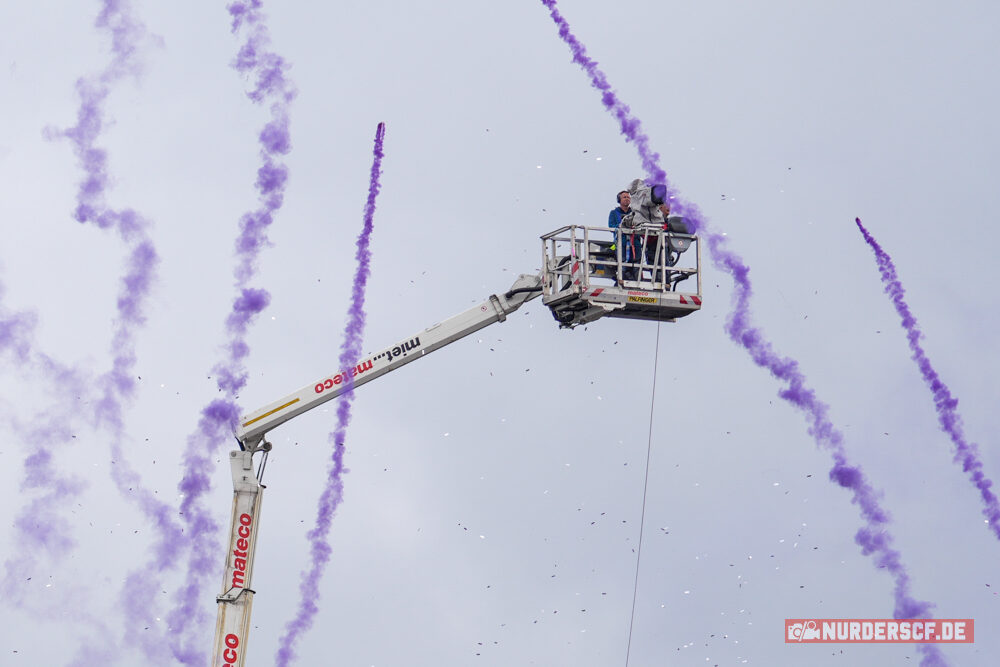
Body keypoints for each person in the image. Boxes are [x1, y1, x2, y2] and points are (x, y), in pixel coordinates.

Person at [608, 190, 639, 280]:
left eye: (628, 197)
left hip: (635, 243)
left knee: (636, 263)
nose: (627, 199)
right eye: (624, 197)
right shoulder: (614, 213)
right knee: (623, 263)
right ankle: (623, 279)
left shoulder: (635, 213)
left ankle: (636, 281)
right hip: (622, 243)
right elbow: (611, 227)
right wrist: (620, 226)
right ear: (619, 200)